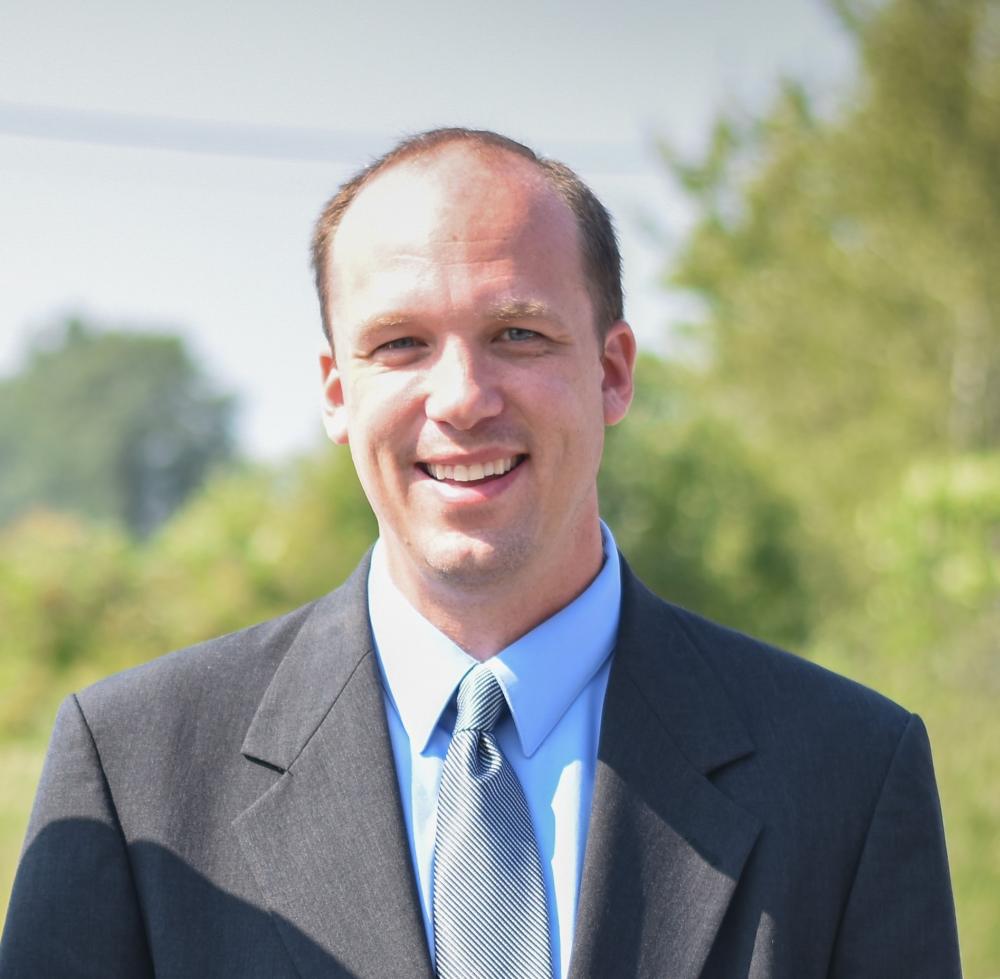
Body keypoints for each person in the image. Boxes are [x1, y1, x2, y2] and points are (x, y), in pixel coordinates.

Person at [1, 128, 961, 978]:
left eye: (517, 333)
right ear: (336, 392)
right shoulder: (136, 774)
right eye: (401, 344)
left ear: (612, 371)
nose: (462, 397)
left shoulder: (847, 773)